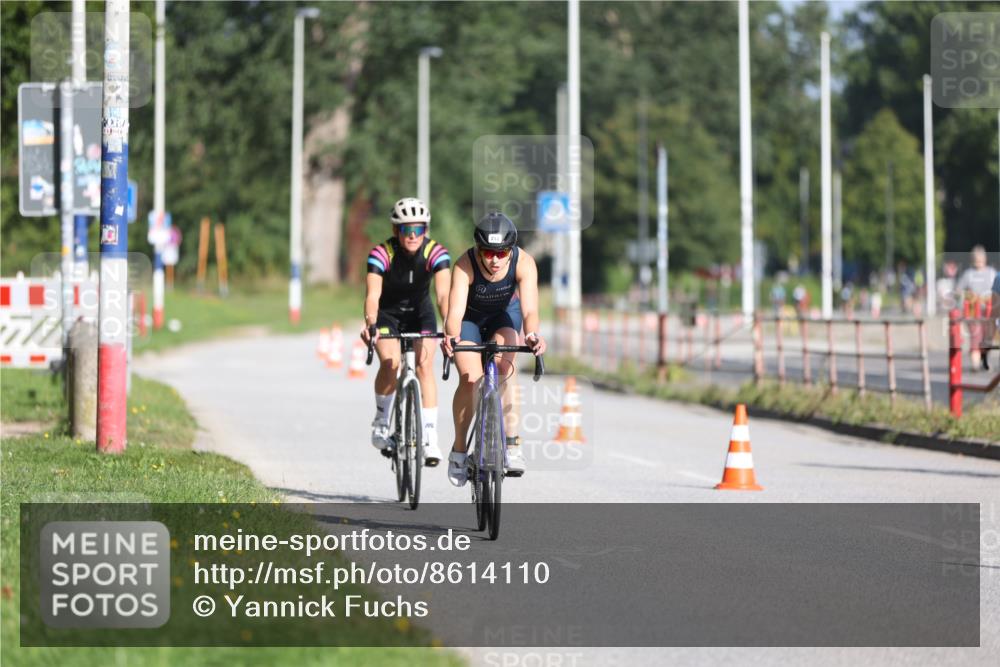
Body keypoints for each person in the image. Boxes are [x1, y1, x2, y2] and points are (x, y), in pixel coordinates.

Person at [440, 212, 546, 487]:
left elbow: (531, 309)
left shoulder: (524, 263)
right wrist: (451, 335)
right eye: (488, 252)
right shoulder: (465, 265)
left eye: (501, 253)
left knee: (505, 371)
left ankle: (511, 444)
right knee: (470, 379)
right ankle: (460, 451)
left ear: (511, 250)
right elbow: (454, 312)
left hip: (504, 317)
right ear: (478, 249)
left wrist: (533, 334)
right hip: (469, 321)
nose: (495, 260)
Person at [361, 198, 451, 465]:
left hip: (420, 312)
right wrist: (371, 323)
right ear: (395, 231)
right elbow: (372, 295)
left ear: (426, 230)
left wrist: (449, 324)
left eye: (419, 229)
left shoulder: (436, 252)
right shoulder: (381, 254)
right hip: (388, 313)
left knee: (424, 366)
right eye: (406, 230)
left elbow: (443, 294)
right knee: (391, 362)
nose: (412, 236)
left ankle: (431, 439)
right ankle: (381, 421)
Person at [955, 245, 997, 371]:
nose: (978, 261)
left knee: (988, 338)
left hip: (989, 311)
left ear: (984, 258)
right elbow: (958, 290)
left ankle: (982, 360)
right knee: (975, 336)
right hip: (973, 311)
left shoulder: (991, 273)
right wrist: (967, 296)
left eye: (980, 258)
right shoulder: (968, 274)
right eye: (976, 258)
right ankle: (975, 364)